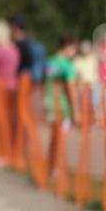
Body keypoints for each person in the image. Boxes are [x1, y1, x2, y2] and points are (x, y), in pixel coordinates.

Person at [45, 35, 80, 179]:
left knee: (54, 139)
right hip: (63, 107)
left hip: (49, 104)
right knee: (61, 139)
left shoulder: (49, 62)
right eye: (74, 50)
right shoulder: (67, 65)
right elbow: (71, 89)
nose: (74, 53)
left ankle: (51, 168)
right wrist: (76, 111)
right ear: (68, 47)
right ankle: (57, 170)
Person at [0, 19, 21, 165]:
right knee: (10, 121)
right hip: (14, 87)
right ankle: (12, 152)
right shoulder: (14, 49)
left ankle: (2, 153)